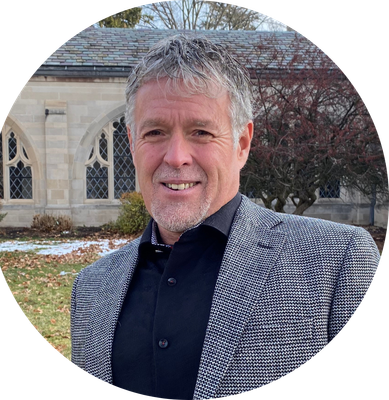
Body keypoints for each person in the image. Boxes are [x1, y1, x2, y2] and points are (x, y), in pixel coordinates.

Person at [70, 35, 380, 400]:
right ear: (133, 143)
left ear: (242, 144)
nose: (176, 157)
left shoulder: (337, 261)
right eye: (155, 132)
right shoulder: (90, 289)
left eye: (200, 132)